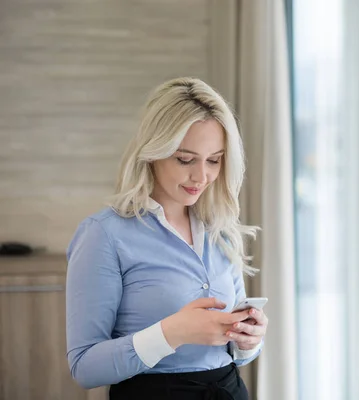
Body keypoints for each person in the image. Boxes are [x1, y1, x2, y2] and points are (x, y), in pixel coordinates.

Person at [65, 77, 268, 400]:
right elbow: (85, 367)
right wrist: (172, 332)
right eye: (185, 159)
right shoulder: (103, 234)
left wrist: (248, 340)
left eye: (214, 160)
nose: (201, 176)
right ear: (153, 152)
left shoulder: (220, 228)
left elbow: (236, 351)